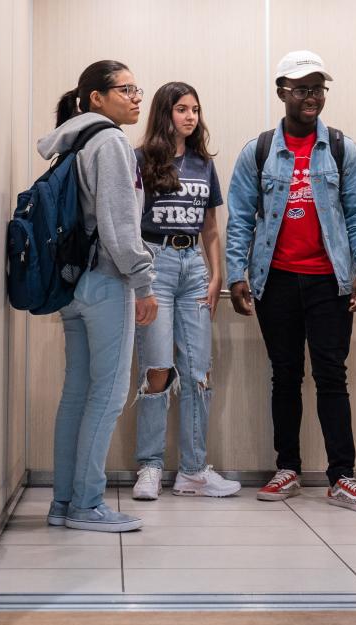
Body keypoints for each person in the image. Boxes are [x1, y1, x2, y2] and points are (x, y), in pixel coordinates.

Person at [225, 50, 356, 512]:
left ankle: (342, 477)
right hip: (275, 281)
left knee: (333, 376)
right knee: (285, 375)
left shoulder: (340, 148)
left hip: (328, 282)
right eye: (301, 89)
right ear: (282, 93)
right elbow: (239, 219)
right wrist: (237, 275)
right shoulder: (257, 151)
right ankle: (287, 468)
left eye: (318, 88)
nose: (311, 97)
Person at [39, 60, 158, 532]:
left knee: (77, 394)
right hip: (107, 281)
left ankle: (64, 503)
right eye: (125, 89)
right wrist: (143, 282)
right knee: (107, 395)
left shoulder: (73, 141)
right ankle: (87, 504)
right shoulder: (109, 141)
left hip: (72, 284)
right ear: (96, 97)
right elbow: (119, 225)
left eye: (137, 88)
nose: (135, 97)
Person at [130, 82, 241, 500]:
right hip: (154, 264)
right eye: (181, 109)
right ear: (165, 114)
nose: (190, 116)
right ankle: (151, 466)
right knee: (157, 369)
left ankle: (194, 470)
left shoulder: (202, 163)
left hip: (194, 266)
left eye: (195, 109)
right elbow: (130, 222)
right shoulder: (140, 160)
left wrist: (216, 276)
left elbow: (211, 227)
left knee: (198, 371)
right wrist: (140, 277)